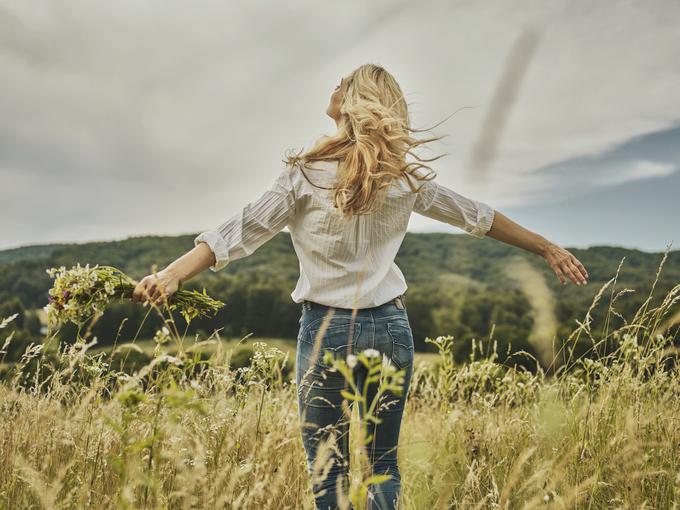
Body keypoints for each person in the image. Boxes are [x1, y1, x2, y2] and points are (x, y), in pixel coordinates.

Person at [132, 63, 588, 509]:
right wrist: (546, 247)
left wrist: (171, 273)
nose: (336, 84)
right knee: (382, 465)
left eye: (345, 82)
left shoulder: (305, 174)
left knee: (327, 470)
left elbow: (238, 231)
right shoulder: (404, 179)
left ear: (358, 102)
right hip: (390, 329)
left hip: (325, 330)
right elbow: (477, 216)